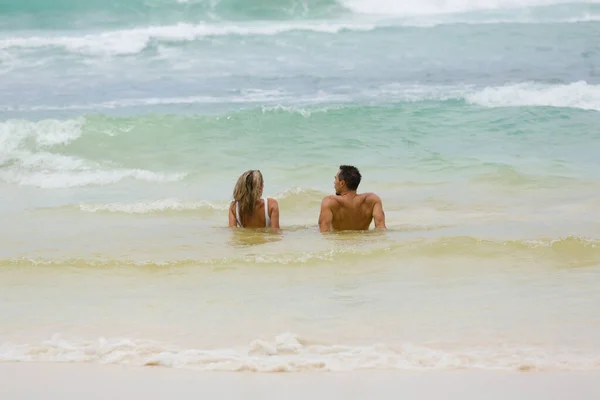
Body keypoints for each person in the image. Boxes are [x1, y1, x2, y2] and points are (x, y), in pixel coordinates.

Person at [318, 165, 386, 232]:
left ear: (342, 183)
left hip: (340, 242)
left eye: (335, 179)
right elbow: (381, 228)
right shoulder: (373, 200)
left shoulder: (329, 202)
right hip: (362, 241)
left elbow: (324, 232)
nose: (334, 182)